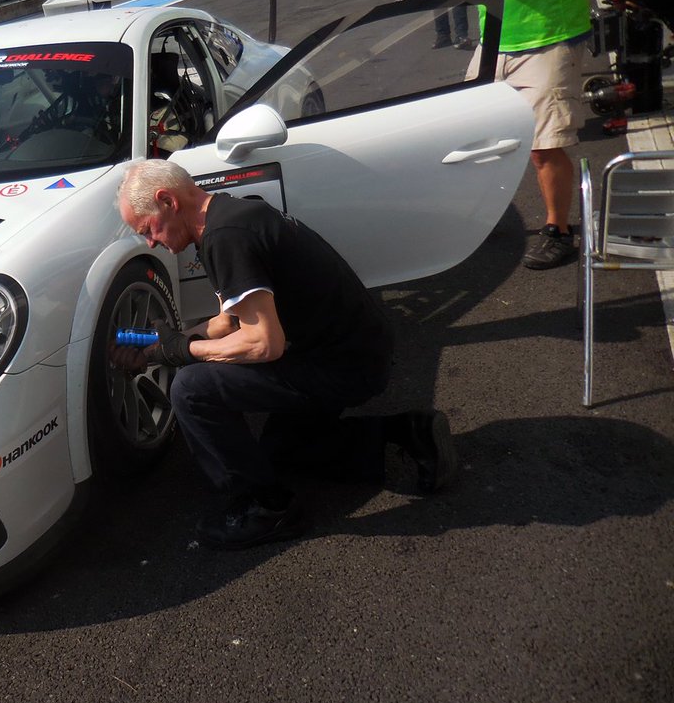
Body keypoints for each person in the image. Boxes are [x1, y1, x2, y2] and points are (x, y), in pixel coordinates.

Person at [112, 160, 454, 549]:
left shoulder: (226, 237)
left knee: (192, 389)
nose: (151, 243)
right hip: (354, 349)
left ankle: (268, 509)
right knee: (277, 451)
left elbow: (263, 343)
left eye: (147, 229)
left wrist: (183, 352)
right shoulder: (227, 216)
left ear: (167, 200)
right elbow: (228, 323)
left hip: (344, 364)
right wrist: (160, 348)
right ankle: (408, 434)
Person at [422, 0, 592, 271]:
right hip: (497, 38)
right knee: (473, 137)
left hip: (546, 37)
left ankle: (559, 230)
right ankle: (484, 217)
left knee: (544, 146)